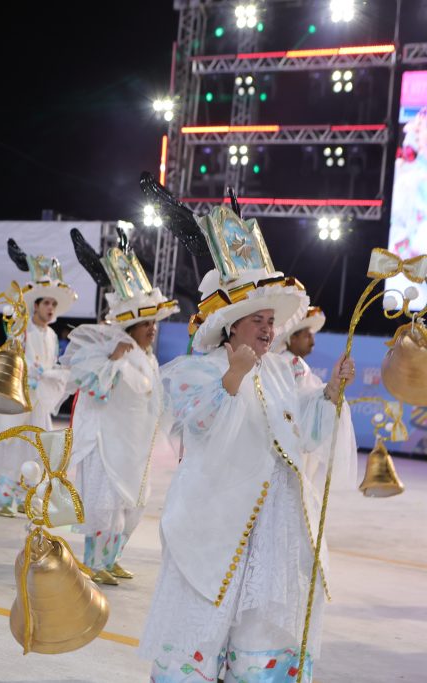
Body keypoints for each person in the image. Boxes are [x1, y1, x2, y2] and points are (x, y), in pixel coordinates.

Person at [137, 194, 358, 682]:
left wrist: (331, 394)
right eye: (256, 319)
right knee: (204, 620)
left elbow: (309, 430)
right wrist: (232, 378)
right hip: (217, 520)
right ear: (230, 324)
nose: (268, 327)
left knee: (261, 634)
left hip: (274, 529)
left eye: (269, 320)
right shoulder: (198, 371)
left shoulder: (284, 370)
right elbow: (200, 429)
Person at [61, 227, 178, 585]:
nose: (153, 330)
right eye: (147, 324)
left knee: (132, 506)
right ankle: (94, 562)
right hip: (106, 443)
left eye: (155, 324)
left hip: (133, 447)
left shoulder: (149, 359)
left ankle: (111, 559)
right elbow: (92, 388)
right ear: (132, 324)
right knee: (105, 505)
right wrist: (112, 360)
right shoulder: (111, 349)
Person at [0, 242, 74, 517]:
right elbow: (12, 357)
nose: (51, 308)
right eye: (47, 303)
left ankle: (24, 497)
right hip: (18, 398)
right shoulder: (23, 328)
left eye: (54, 304)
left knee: (35, 448)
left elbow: (50, 363)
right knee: (10, 443)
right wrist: (33, 374)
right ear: (36, 304)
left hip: (39, 401)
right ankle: (1, 500)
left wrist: (52, 376)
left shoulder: (52, 335)